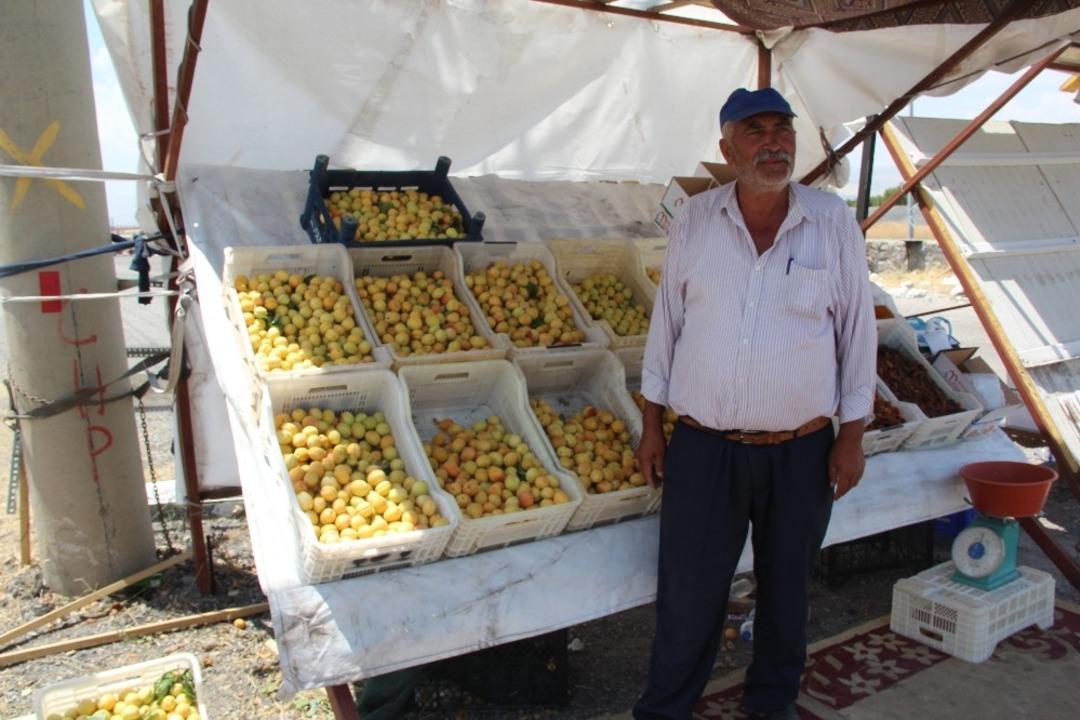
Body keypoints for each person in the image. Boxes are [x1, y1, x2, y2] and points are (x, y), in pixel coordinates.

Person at [633, 87, 876, 720]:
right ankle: (665, 710)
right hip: (705, 447)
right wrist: (651, 425)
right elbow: (668, 324)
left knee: (787, 591)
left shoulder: (831, 221)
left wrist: (852, 437)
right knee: (688, 593)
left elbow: (857, 333)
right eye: (755, 131)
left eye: (782, 128)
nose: (774, 142)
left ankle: (770, 706)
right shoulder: (694, 219)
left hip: (802, 449)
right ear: (727, 147)